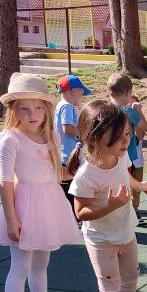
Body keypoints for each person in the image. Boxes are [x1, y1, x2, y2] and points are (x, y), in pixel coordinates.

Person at [0, 74, 82, 292]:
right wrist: (11, 219)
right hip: (24, 207)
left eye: (38, 108)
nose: (33, 114)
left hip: (49, 203)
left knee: (41, 263)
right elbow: (5, 181)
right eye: (25, 109)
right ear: (13, 110)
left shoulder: (51, 135)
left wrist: (80, 166)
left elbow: (55, 173)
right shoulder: (11, 139)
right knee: (20, 268)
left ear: (46, 109)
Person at [67, 99, 147, 292]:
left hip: (125, 230)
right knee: (109, 291)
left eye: (127, 133)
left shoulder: (119, 156)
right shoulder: (86, 175)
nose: (125, 140)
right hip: (101, 239)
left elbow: (123, 176)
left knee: (131, 277)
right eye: (118, 136)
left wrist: (138, 185)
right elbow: (81, 212)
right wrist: (111, 205)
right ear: (94, 138)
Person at [107, 73, 147, 219]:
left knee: (111, 186)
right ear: (128, 92)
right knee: (124, 186)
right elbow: (145, 127)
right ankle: (124, 217)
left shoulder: (104, 109)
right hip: (124, 157)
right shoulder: (127, 112)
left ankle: (112, 214)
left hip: (108, 157)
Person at [54, 73, 92, 203]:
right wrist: (84, 134)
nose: (83, 95)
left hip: (64, 155)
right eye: (82, 92)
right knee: (70, 192)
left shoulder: (61, 105)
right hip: (68, 156)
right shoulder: (67, 106)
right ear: (73, 91)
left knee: (66, 190)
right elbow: (68, 128)